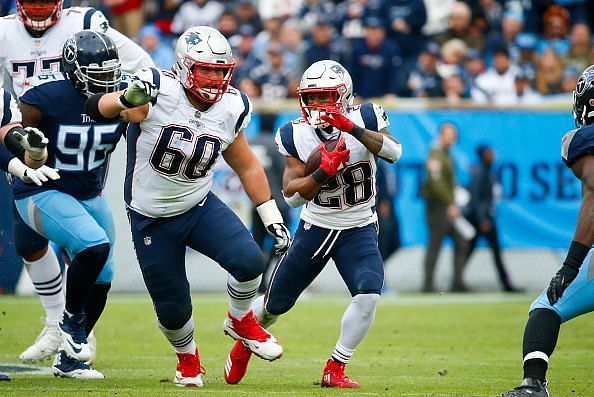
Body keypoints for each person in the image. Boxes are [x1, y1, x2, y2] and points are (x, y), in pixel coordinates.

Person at [85, 26, 290, 387]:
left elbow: (246, 164)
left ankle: (239, 319)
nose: (213, 78)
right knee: (173, 307)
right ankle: (188, 359)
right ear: (183, 67)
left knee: (250, 262)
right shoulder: (156, 89)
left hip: (197, 205)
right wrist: (125, 98)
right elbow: (98, 108)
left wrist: (269, 213)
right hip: (151, 217)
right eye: (205, 69)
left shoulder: (233, 105)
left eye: (219, 70)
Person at [223, 59, 403, 388]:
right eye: (312, 97)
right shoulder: (294, 133)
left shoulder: (366, 115)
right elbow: (291, 195)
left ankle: (335, 367)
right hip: (315, 228)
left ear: (344, 95)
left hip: (359, 226)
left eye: (325, 96)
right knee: (274, 305)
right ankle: (245, 342)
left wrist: (353, 130)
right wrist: (322, 173)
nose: (317, 104)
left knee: (368, 294)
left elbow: (393, 152)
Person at [0, 0, 154, 363]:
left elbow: (139, 65)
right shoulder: (5, 32)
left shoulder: (84, 23)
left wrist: (131, 96)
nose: (38, 9)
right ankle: (59, 323)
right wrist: (16, 140)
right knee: (30, 243)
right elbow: (7, 110)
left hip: (81, 136)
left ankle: (76, 331)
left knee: (93, 253)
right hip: (32, 133)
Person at [13, 30, 129, 379]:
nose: (106, 79)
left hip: (88, 194)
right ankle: (70, 322)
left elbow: (144, 113)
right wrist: (27, 156)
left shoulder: (123, 98)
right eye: (98, 71)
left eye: (111, 70)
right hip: (40, 191)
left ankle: (69, 359)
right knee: (94, 247)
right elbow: (15, 139)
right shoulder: (42, 98)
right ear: (74, 69)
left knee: (104, 275)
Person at [498, 65, 594, 397]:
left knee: (546, 307)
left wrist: (571, 265)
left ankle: (533, 384)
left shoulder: (582, 140)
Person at [463, 145, 519, 292]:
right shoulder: (480, 172)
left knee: (470, 250)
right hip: (483, 220)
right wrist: (483, 220)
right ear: (483, 155)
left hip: (485, 218)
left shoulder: (488, 172)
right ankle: (506, 284)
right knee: (494, 251)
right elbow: (477, 199)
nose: (493, 155)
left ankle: (457, 279)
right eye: (489, 153)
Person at [421, 123, 469, 292]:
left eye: (453, 134)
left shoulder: (446, 154)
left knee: (460, 241)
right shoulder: (436, 154)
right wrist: (449, 202)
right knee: (435, 243)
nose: (451, 138)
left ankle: (457, 281)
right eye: (448, 134)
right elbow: (436, 183)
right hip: (438, 207)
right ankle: (428, 283)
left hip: (445, 206)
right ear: (441, 135)